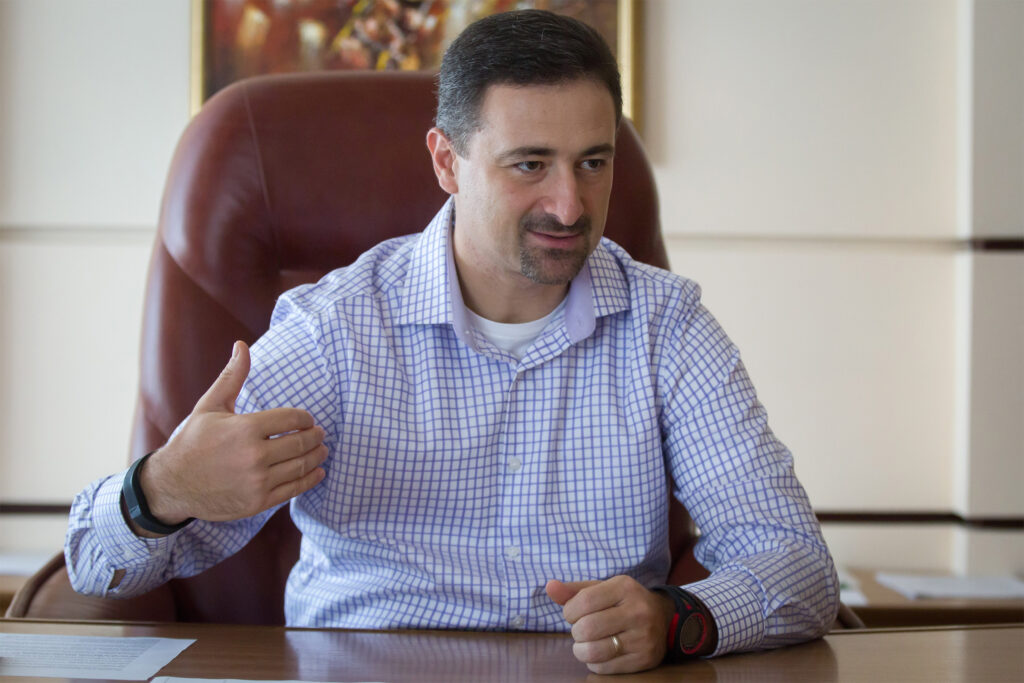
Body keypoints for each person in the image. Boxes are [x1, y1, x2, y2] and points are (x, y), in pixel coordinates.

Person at [66, 9, 838, 675]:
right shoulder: (336, 329)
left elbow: (797, 563)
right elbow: (93, 563)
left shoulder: (667, 326)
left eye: (592, 163)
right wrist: (161, 489)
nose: (569, 204)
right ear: (447, 161)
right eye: (529, 165)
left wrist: (678, 619)